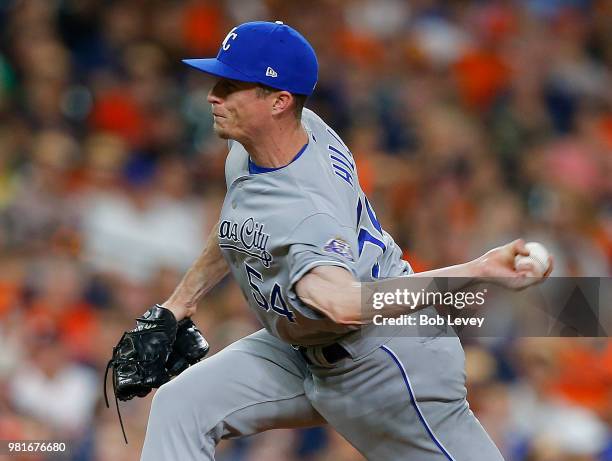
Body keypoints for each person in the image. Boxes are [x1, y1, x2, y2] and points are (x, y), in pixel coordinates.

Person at [139, 21, 552, 460]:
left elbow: (342, 305)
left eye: (232, 85)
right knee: (181, 404)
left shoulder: (303, 209)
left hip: (388, 363)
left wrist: (477, 270)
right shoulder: (285, 135)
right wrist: (179, 302)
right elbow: (239, 224)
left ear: (279, 101)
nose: (213, 95)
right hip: (306, 348)